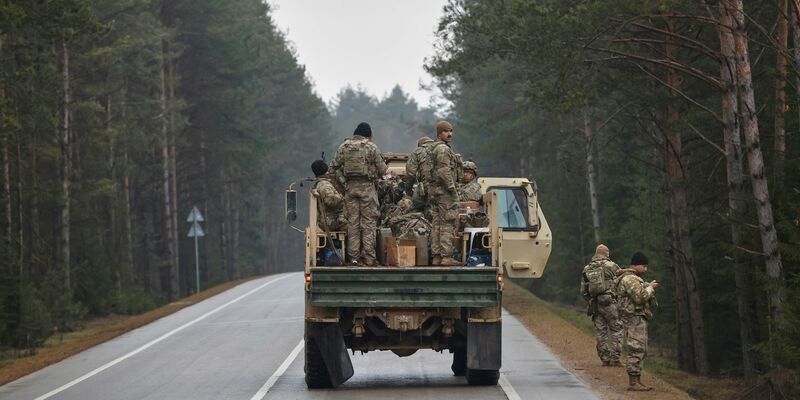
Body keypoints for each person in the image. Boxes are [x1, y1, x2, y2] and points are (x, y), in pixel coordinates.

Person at [330, 122, 387, 265]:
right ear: (368, 134)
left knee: (352, 224)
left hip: (350, 189)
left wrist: (344, 182)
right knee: (368, 223)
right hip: (367, 189)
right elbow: (382, 169)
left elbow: (333, 168)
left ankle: (354, 258)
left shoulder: (344, 146)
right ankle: (369, 258)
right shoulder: (370, 146)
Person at [617, 251, 658, 391]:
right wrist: (650, 288)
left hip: (638, 317)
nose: (646, 269)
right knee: (635, 348)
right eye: (644, 266)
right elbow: (640, 297)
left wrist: (648, 286)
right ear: (635, 264)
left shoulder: (634, 278)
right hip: (633, 318)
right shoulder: (629, 279)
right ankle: (633, 382)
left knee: (641, 349)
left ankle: (637, 380)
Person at [580, 244, 624, 367]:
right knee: (617, 328)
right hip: (611, 302)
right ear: (606, 254)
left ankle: (605, 358)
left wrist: (589, 300)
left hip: (595, 304)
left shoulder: (587, 268)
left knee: (601, 332)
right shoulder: (611, 265)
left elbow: (583, 290)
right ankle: (616, 358)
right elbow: (622, 282)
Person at [427, 121, 463, 266]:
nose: (450, 134)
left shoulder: (433, 148)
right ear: (439, 133)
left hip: (435, 192)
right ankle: (446, 257)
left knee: (437, 224)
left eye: (451, 131)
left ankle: (436, 256)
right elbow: (443, 171)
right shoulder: (442, 149)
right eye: (446, 131)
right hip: (444, 193)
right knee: (447, 223)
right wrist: (452, 189)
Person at [311, 160, 345, 231]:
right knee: (357, 227)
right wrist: (344, 197)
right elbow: (331, 201)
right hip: (332, 221)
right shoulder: (324, 184)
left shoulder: (320, 183)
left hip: (329, 220)